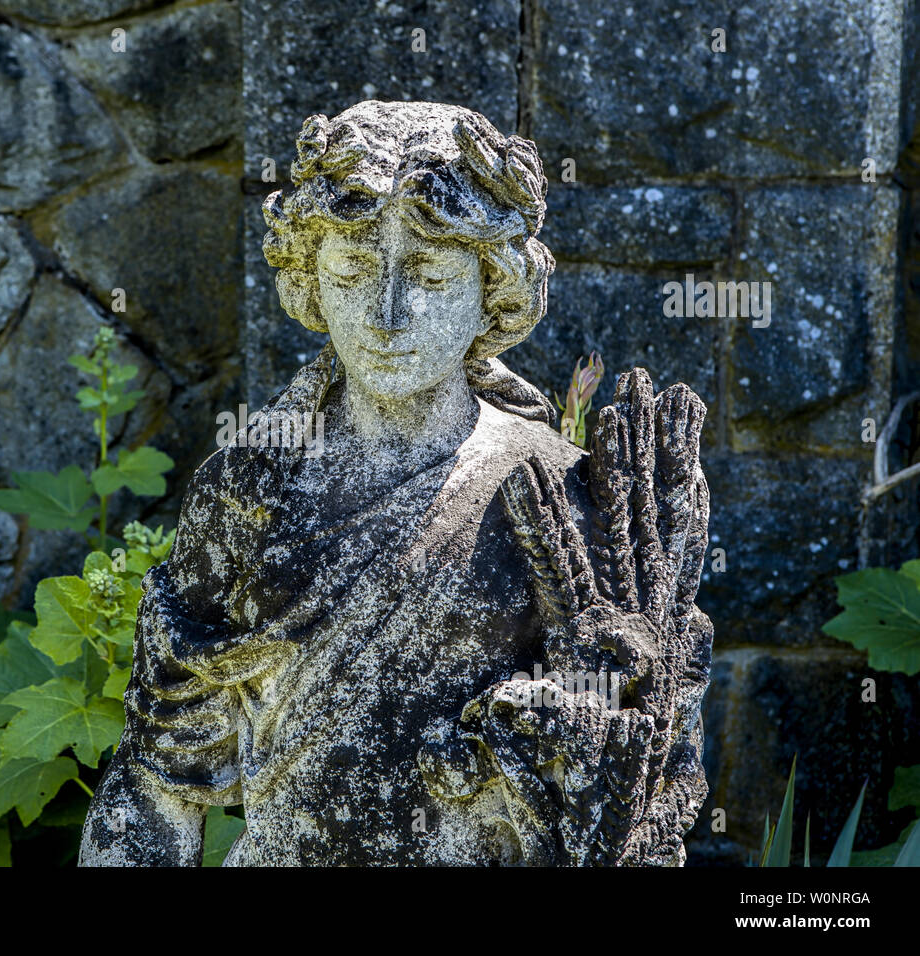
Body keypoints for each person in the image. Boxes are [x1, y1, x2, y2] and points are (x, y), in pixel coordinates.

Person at [80, 100, 712, 866]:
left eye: (430, 275)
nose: (388, 314)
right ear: (311, 277)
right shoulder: (249, 489)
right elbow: (155, 781)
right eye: (351, 270)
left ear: (494, 288)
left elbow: (637, 777)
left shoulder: (553, 495)